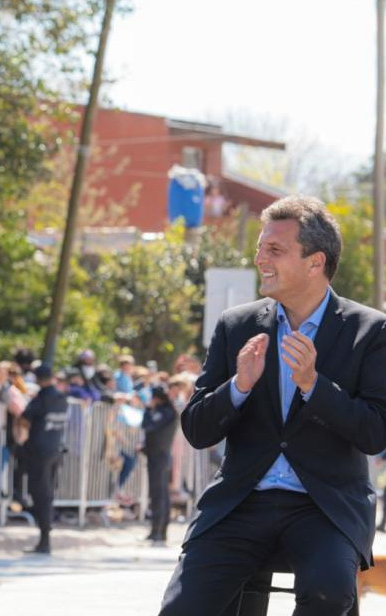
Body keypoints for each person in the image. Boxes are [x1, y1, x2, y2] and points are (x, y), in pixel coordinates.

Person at [159, 195, 386, 615]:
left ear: (315, 262)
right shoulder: (236, 325)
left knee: (329, 595)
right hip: (242, 501)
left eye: (274, 250)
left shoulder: (370, 331)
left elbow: (375, 432)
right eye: (261, 247)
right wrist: (239, 386)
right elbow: (196, 429)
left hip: (325, 507)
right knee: (181, 607)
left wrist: (313, 386)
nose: (260, 257)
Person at [21, 363, 68, 555]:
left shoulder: (41, 398)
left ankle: (44, 541)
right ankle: (45, 539)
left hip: (40, 452)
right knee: (47, 495)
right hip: (56, 451)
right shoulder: (61, 398)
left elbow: (25, 418)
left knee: (40, 495)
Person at [141, 386, 178, 546]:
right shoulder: (167, 412)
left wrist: (148, 410)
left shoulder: (165, 412)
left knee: (159, 494)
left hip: (159, 456)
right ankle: (157, 531)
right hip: (157, 456)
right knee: (160, 493)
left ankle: (158, 531)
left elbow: (148, 426)